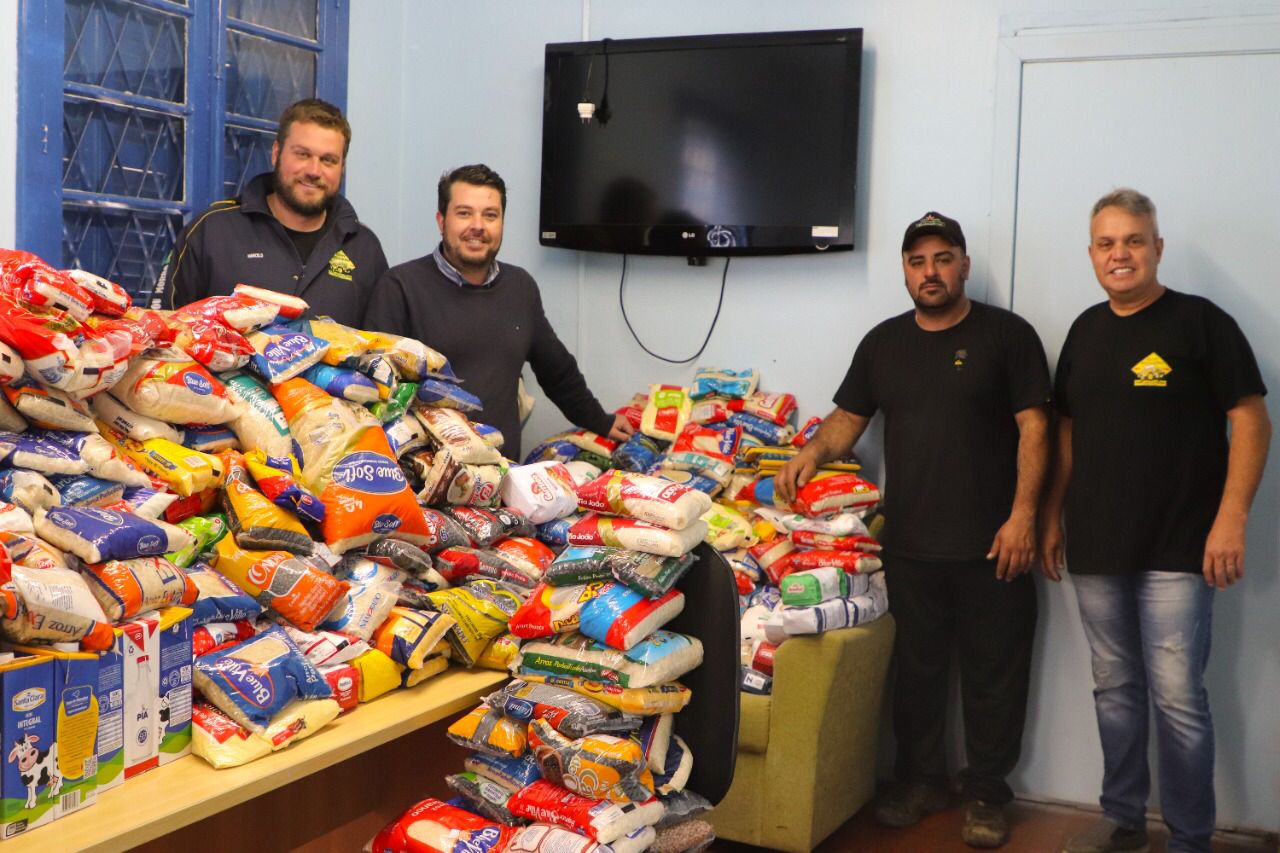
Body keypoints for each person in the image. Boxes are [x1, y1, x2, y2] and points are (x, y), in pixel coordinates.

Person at [774, 212, 1051, 849]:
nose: (931, 272)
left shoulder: (1008, 337)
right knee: (917, 677)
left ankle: (984, 795)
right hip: (908, 546)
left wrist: (1023, 519)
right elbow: (849, 417)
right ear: (905, 271)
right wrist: (812, 453)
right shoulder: (883, 344)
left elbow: (1037, 431)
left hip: (994, 546)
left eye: (943, 258)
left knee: (994, 678)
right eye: (918, 261)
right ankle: (921, 781)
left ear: (964, 266)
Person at [1040, 189, 1270, 853]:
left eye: (1134, 240)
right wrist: (1052, 512)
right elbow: (1067, 434)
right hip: (1097, 546)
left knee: (1177, 697)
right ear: (1092, 254)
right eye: (1107, 243)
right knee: (1114, 688)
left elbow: (1252, 418)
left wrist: (1232, 518)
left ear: (1156, 248)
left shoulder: (1201, 323)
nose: (1121, 254)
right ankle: (1125, 816)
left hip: (1181, 544)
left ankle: (1191, 836)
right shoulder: (1084, 331)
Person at [361, 164, 632, 459]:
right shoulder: (400, 286)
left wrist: (601, 421)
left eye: (490, 215)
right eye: (464, 213)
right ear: (442, 221)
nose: (478, 225)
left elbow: (557, 372)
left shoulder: (521, 288)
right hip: (427, 478)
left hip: (502, 473)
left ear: (502, 223)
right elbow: (377, 393)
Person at [154, 98, 388, 323]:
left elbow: (382, 351)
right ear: (276, 153)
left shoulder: (364, 249)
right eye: (302, 154)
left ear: (342, 168)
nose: (314, 170)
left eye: (328, 160)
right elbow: (160, 332)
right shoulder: (211, 233)